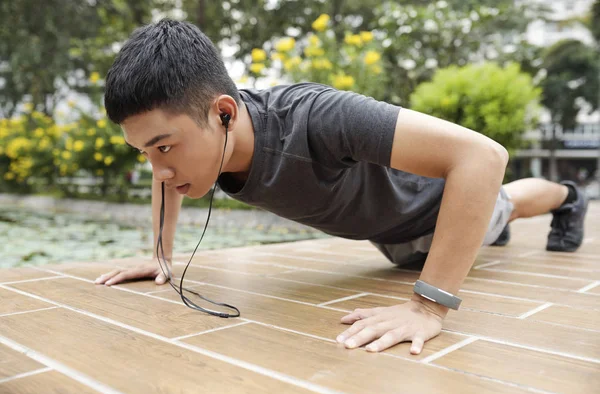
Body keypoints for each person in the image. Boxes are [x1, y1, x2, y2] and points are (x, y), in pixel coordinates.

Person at [94, 19, 588, 355]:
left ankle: (569, 197)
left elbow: (483, 156)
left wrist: (428, 307)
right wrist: (161, 255)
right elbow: (166, 181)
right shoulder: (202, 146)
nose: (159, 170)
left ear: (223, 113)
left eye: (163, 147)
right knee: (466, 235)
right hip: (391, 239)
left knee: (510, 203)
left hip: (436, 207)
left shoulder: (316, 118)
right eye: (145, 152)